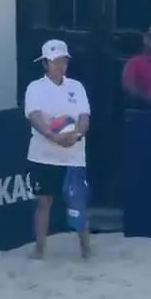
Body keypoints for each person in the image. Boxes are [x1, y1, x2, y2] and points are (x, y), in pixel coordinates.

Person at [23, 39, 92, 259]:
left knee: (78, 202)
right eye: (55, 61)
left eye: (64, 60)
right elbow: (34, 117)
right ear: (45, 63)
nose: (61, 65)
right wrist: (53, 136)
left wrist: (77, 135)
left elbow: (84, 116)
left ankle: (86, 249)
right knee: (44, 202)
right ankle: (39, 249)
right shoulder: (35, 88)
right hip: (44, 155)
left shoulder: (76, 87)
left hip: (73, 154)